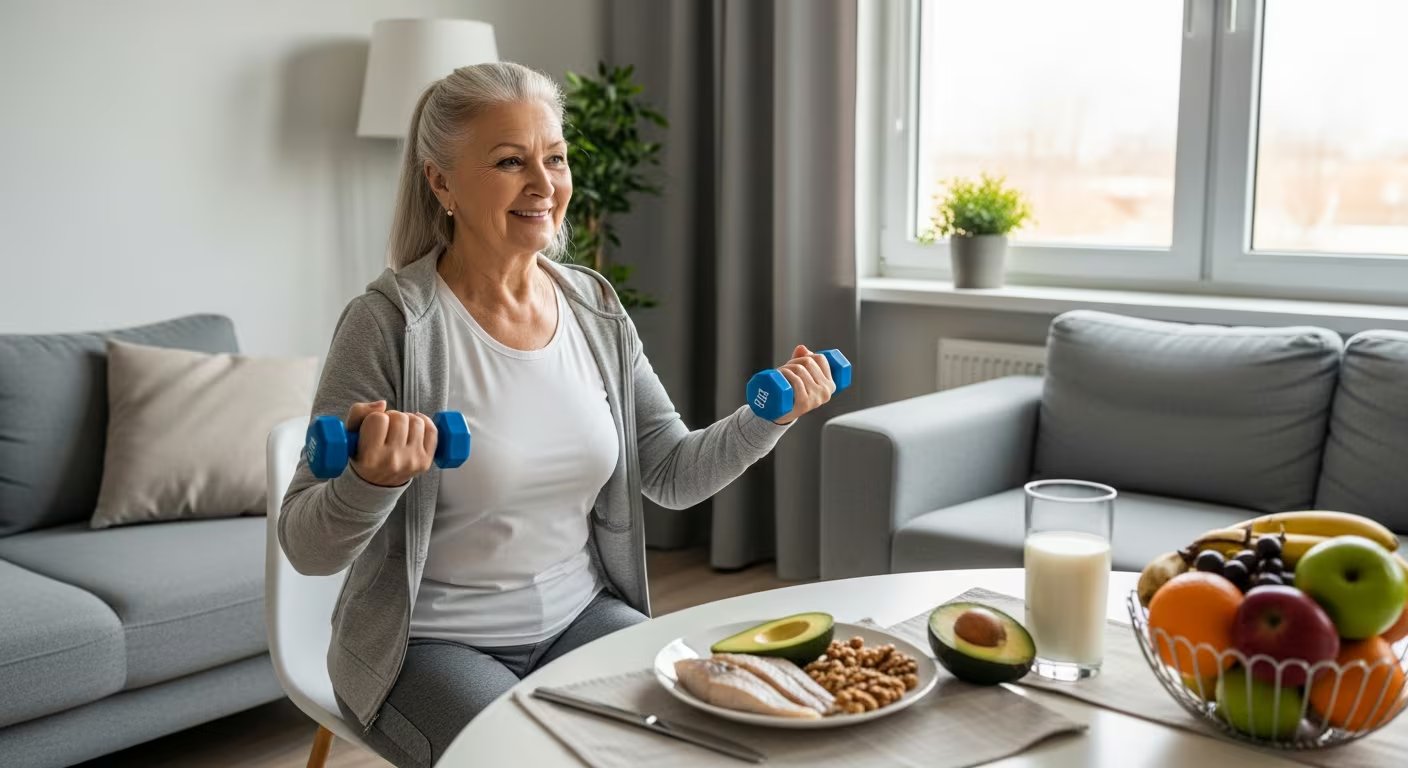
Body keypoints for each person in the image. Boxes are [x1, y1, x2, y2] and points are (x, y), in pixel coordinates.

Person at [278, 61, 837, 768]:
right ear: (440, 182)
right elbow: (307, 546)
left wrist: (770, 416)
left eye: (556, 158)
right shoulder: (390, 325)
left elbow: (669, 471)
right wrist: (371, 482)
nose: (545, 185)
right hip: (430, 645)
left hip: (580, 614)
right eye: (511, 162)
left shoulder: (594, 309)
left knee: (704, 740)